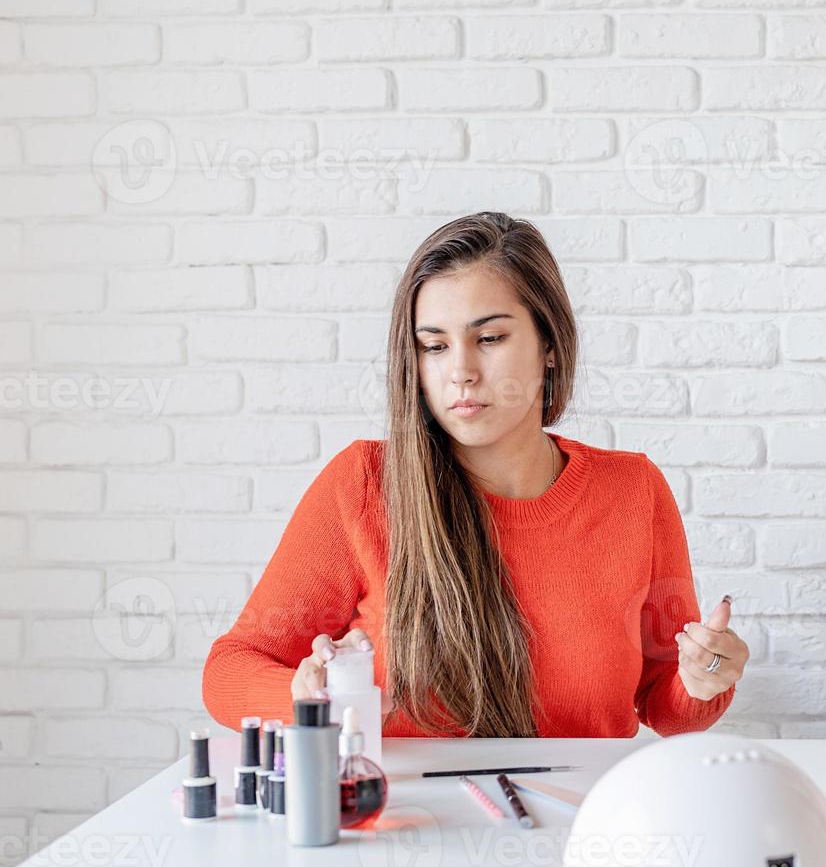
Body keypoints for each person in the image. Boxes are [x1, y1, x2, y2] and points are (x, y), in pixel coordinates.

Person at [202, 212, 749, 737]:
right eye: (434, 346)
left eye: (489, 338)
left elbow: (667, 706)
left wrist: (704, 679)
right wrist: (307, 700)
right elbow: (229, 671)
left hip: (581, 822)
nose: (460, 372)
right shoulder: (365, 484)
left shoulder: (632, 491)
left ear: (550, 346)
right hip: (408, 822)